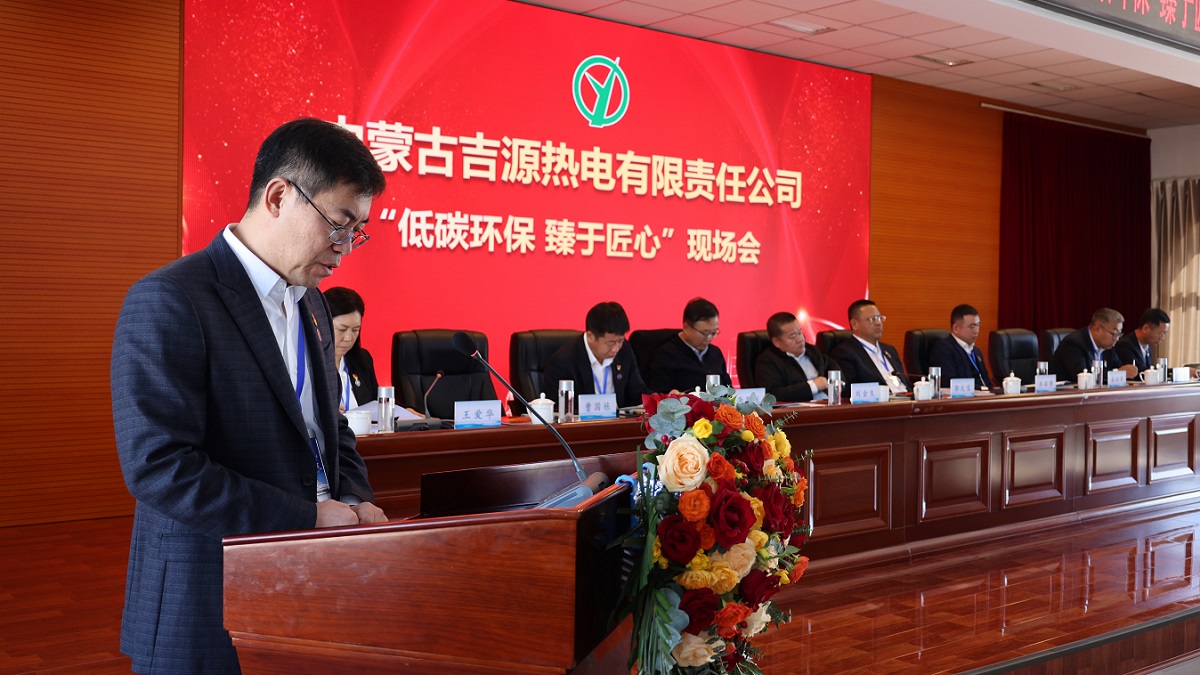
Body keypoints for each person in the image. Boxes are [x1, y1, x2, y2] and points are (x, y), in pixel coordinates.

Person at [111, 118, 390, 674]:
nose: (344, 249)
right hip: (204, 595)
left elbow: (328, 426)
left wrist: (356, 501)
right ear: (280, 196)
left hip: (307, 582)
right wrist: (306, 517)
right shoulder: (171, 298)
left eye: (357, 231)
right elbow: (159, 466)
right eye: (338, 225)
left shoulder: (312, 302)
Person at [542, 301, 650, 408]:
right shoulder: (563, 361)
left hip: (618, 418)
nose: (616, 348)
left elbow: (637, 391)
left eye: (620, 341)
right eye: (611, 342)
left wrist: (655, 402)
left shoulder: (624, 350)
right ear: (590, 336)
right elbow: (558, 408)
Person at [647, 297, 733, 393]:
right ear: (686, 327)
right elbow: (657, 395)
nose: (709, 338)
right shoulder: (665, 355)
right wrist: (672, 396)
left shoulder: (715, 353)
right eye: (704, 333)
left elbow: (729, 390)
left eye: (713, 333)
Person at [830, 299, 910, 394]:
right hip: (882, 401)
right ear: (855, 324)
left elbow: (905, 383)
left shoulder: (889, 350)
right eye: (872, 319)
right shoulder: (844, 353)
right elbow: (851, 391)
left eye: (879, 318)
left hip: (908, 398)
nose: (878, 323)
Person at [323, 287, 380, 412]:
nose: (349, 338)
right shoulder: (307, 363)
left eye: (355, 330)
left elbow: (377, 403)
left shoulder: (362, 359)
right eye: (342, 329)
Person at [753, 311, 830, 402]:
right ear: (777, 342)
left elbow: (835, 372)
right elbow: (774, 394)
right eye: (792, 336)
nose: (800, 339)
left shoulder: (812, 351)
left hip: (829, 405)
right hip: (801, 409)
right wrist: (812, 386)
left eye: (800, 332)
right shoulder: (767, 362)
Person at [1050, 307, 1138, 381]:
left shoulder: (1109, 346)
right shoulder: (1073, 343)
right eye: (1114, 334)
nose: (1117, 339)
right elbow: (1083, 376)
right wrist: (1118, 373)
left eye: (1119, 334)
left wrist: (1126, 371)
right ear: (1097, 328)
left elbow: (1117, 367)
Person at [927, 304, 993, 389]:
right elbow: (949, 382)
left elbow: (987, 381)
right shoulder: (943, 349)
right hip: (965, 396)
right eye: (972, 326)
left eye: (978, 325)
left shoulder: (976, 351)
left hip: (985, 395)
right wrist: (982, 389)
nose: (976, 331)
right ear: (956, 328)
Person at [1115, 308, 1170, 374]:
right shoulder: (1124, 345)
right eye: (1161, 333)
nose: (1162, 338)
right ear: (1146, 328)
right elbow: (1139, 372)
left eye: (1164, 333)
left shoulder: (1148, 345)